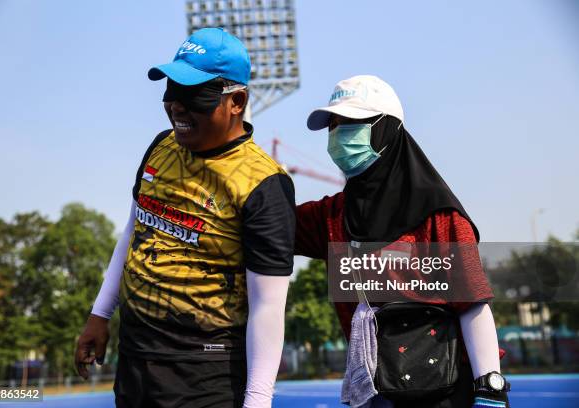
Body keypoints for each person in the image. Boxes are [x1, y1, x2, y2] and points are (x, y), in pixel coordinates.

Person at [74, 27, 296, 408]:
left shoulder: (264, 183)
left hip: (204, 374)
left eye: (194, 96)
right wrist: (100, 314)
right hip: (135, 359)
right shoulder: (161, 146)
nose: (177, 105)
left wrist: (258, 401)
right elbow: (134, 231)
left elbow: (268, 306)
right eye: (171, 90)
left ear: (237, 101)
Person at [295, 75, 510, 408]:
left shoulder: (439, 215)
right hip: (375, 391)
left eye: (350, 123)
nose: (338, 136)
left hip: (446, 389)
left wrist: (490, 389)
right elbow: (266, 223)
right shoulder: (333, 216)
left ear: (385, 129)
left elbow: (473, 304)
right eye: (333, 126)